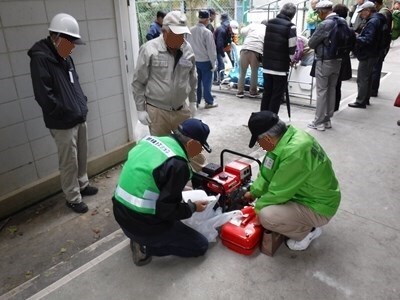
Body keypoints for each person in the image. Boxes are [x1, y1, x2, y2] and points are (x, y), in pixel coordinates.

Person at [112, 118, 212, 266]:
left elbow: (148, 177)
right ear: (191, 143)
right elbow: (167, 211)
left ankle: (138, 237)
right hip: (142, 223)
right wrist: (193, 207)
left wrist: (178, 187)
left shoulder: (151, 141)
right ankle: (146, 246)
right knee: (200, 245)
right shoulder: (178, 164)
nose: (200, 151)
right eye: (200, 147)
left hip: (120, 213)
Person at [28, 13, 98, 214]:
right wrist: (63, 111)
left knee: (82, 155)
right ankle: (73, 197)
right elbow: (43, 95)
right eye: (70, 41)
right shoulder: (41, 59)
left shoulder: (64, 56)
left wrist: (81, 103)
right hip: (62, 122)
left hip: (78, 115)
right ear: (56, 37)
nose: (73, 46)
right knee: (68, 162)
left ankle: (82, 185)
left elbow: (73, 82)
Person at [244, 111, 341, 251]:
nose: (260, 145)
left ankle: (307, 232)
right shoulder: (285, 138)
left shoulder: (295, 152)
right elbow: (267, 173)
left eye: (259, 142)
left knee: (267, 216)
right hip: (305, 194)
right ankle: (299, 220)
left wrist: (256, 209)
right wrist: (253, 192)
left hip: (319, 205)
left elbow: (279, 193)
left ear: (267, 138)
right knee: (267, 206)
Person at [132, 10, 197, 136]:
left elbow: (193, 77)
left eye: (182, 34)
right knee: (163, 152)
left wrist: (193, 101)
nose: (181, 39)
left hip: (181, 109)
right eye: (176, 35)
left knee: (190, 148)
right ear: (164, 32)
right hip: (157, 112)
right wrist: (140, 109)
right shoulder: (149, 49)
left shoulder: (188, 49)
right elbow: (138, 82)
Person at [308, 0, 349, 131]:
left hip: (324, 61)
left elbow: (311, 43)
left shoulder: (325, 24)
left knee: (321, 91)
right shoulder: (342, 21)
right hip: (338, 61)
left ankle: (318, 122)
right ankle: (327, 120)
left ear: (322, 11)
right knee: (332, 89)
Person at [349, 1, 386, 108]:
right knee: (368, 77)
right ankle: (365, 98)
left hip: (368, 53)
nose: (361, 14)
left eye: (362, 11)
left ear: (368, 11)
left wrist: (356, 37)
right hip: (374, 52)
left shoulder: (373, 22)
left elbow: (368, 39)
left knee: (363, 78)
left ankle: (361, 101)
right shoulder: (378, 19)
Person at [261, 3, 297, 114]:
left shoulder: (269, 23)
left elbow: (265, 42)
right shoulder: (291, 26)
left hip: (267, 65)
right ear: (292, 15)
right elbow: (292, 47)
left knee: (267, 93)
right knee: (276, 95)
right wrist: (291, 59)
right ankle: (271, 120)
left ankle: (262, 117)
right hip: (280, 68)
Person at [186, 10, 218, 109]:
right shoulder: (207, 32)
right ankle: (209, 102)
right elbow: (211, 50)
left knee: (196, 82)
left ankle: (196, 101)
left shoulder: (190, 30)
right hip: (205, 61)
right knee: (207, 83)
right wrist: (213, 63)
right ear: (207, 19)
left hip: (194, 61)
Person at [236, 22, 266, 98]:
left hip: (244, 49)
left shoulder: (253, 25)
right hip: (256, 51)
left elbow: (242, 31)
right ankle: (253, 92)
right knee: (254, 72)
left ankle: (240, 92)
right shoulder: (266, 29)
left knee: (242, 72)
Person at [333, 3, 353, 111]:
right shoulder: (348, 28)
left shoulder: (333, 26)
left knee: (331, 85)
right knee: (338, 85)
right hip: (345, 58)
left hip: (334, 59)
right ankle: (335, 106)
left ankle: (330, 107)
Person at [370, 0, 392, 97]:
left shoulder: (383, 13)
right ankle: (373, 89)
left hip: (380, 46)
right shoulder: (384, 11)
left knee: (376, 68)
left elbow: (381, 31)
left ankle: (373, 90)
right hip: (382, 44)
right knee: (376, 67)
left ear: (375, 3)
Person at [213, 13, 231, 84]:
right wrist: (223, 56)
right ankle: (218, 79)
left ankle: (218, 79)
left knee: (219, 63)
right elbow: (219, 45)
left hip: (217, 48)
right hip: (215, 48)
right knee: (220, 63)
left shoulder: (225, 28)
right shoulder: (222, 30)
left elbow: (227, 40)